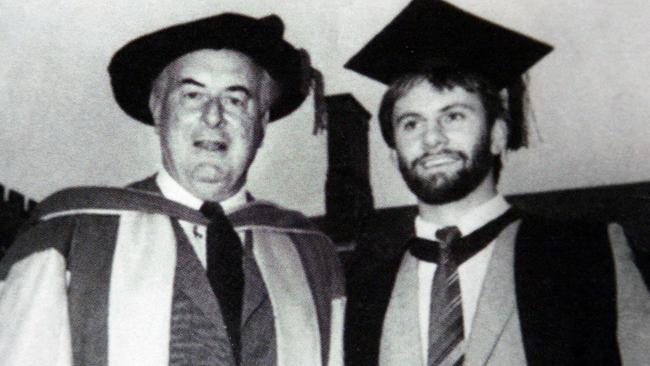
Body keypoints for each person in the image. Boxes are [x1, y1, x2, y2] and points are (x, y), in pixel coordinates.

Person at [0, 13, 344, 366]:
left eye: (236, 100)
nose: (213, 117)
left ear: (262, 122)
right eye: (193, 95)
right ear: (158, 109)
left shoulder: (311, 255)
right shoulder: (69, 235)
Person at [343, 1, 650, 365]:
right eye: (411, 123)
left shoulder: (588, 254)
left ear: (497, 135)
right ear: (394, 154)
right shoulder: (366, 291)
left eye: (453, 116)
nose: (432, 139)